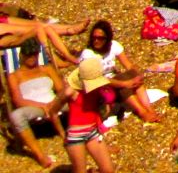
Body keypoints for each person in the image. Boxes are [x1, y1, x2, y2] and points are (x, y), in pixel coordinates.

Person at [46, 54, 117, 173]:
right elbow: (53, 112)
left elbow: (100, 110)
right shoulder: (70, 92)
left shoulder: (98, 88)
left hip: (93, 131)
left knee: (108, 170)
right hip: (75, 135)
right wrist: (63, 135)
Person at [6, 37, 65, 168]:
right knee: (16, 115)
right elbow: (18, 101)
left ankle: (88, 134)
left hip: (55, 103)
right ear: (22, 55)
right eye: (29, 55)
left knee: (75, 95)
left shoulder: (47, 69)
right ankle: (40, 156)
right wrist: (42, 106)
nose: (32, 58)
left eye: (34, 54)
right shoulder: (14, 75)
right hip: (34, 107)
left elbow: (61, 90)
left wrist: (54, 103)